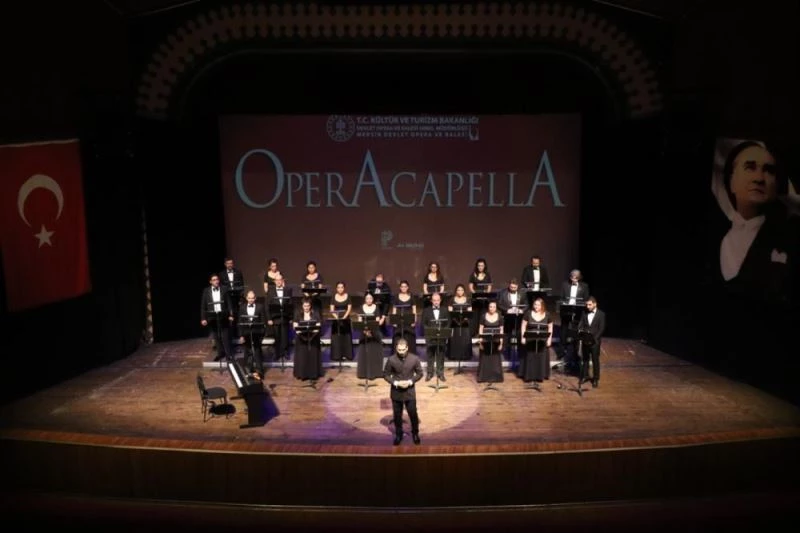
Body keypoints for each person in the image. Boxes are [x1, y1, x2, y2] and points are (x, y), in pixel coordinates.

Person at [711, 140, 798, 303]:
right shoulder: (711, 236)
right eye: (750, 167)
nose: (759, 178)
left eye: (769, 171)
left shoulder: (791, 236)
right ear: (731, 181)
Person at [383, 338, 423, 445]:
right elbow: (385, 374)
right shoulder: (391, 359)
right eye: (399, 350)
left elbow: (420, 373)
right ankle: (398, 434)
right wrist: (396, 383)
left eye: (403, 350)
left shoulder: (414, 359)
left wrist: (410, 382)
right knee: (397, 415)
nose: (401, 352)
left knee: (413, 414)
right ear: (396, 348)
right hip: (396, 392)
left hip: (409, 391)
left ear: (407, 348)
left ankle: (415, 433)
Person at [519, 297, 553, 387]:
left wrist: (549, 339)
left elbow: (550, 327)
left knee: (540, 357)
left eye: (538, 305)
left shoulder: (547, 314)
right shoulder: (528, 313)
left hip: (542, 341)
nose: (536, 306)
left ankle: (539, 376)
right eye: (535, 304)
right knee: (530, 357)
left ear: (542, 306)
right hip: (530, 340)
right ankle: (529, 376)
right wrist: (523, 337)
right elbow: (523, 325)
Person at [558, 269, 590, 367]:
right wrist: (564, 304)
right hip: (566, 310)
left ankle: (575, 353)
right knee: (564, 330)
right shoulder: (564, 285)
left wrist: (580, 305)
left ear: (579, 278)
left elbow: (585, 299)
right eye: (572, 277)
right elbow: (561, 298)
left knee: (576, 331)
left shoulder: (584, 286)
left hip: (578, 311)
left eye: (576, 278)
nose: (574, 279)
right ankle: (561, 352)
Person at [200, 273, 234, 362]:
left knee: (225, 336)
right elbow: (203, 305)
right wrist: (203, 318)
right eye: (214, 280)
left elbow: (229, 303)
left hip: (223, 315)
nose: (216, 281)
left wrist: (231, 315)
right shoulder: (206, 291)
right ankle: (220, 353)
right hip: (212, 316)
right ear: (210, 282)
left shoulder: (224, 289)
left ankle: (228, 355)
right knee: (216, 336)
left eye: (217, 279)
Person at [576, 296, 605, 388]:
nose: (587, 306)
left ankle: (595, 379)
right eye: (587, 305)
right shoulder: (584, 312)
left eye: (589, 305)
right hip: (585, 339)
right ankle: (585, 376)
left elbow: (601, 329)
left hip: (595, 342)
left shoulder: (601, 314)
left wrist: (594, 339)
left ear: (595, 304)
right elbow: (581, 324)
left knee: (595, 360)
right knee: (585, 359)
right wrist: (580, 330)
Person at [421, 292, 451, 381]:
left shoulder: (445, 310)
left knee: (440, 355)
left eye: (438, 300)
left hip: (441, 336)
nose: (436, 302)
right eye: (434, 300)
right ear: (431, 301)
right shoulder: (426, 310)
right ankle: (430, 373)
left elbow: (448, 322)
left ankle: (440, 373)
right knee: (430, 355)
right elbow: (423, 323)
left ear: (440, 300)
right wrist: (430, 331)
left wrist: (443, 331)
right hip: (430, 336)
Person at [292, 297, 323, 382]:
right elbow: (295, 325)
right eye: (305, 306)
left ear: (310, 305)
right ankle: (303, 374)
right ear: (302, 305)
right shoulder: (298, 313)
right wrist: (302, 336)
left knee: (313, 355)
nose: (306, 308)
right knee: (302, 356)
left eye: (308, 306)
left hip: (313, 338)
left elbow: (318, 324)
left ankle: (313, 374)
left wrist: (312, 336)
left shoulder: (315, 313)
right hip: (301, 338)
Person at [356, 292, 385, 381]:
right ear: (365, 299)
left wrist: (371, 331)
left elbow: (377, 321)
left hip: (374, 332)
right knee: (364, 352)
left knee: (375, 352)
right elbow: (360, 321)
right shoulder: (361, 307)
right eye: (367, 298)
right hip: (364, 332)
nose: (369, 300)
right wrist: (365, 331)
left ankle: (376, 372)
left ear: (373, 299)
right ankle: (363, 373)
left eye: (370, 298)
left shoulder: (376, 307)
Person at [238, 290, 266, 377]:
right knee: (247, 352)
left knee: (257, 352)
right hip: (246, 333)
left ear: (255, 298)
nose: (251, 300)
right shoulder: (242, 307)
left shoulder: (260, 307)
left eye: (252, 298)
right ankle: (247, 371)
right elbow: (240, 321)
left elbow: (263, 320)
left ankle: (260, 372)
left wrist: (262, 334)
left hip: (257, 333)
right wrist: (241, 335)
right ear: (246, 298)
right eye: (249, 298)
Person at [266, 274, 293, 361]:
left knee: (285, 336)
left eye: (280, 279)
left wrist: (291, 317)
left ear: (282, 280)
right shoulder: (270, 291)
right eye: (277, 280)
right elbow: (267, 306)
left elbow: (290, 304)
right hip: (275, 318)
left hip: (285, 317)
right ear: (274, 281)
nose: (278, 281)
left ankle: (285, 352)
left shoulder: (288, 290)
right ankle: (277, 353)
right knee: (277, 337)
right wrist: (269, 318)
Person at [497, 278, 525, 363]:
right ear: (509, 285)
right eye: (511, 287)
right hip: (507, 317)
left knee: (519, 334)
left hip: (518, 317)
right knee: (507, 335)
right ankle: (506, 354)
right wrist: (507, 310)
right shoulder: (503, 293)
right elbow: (499, 304)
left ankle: (520, 354)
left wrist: (521, 310)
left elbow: (527, 304)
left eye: (514, 287)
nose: (513, 289)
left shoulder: (522, 293)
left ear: (517, 286)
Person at [477, 300, 504, 384]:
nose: (492, 308)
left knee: (495, 359)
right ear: (488, 307)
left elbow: (501, 330)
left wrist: (501, 343)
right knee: (485, 358)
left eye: (494, 307)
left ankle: (495, 377)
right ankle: (484, 377)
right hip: (486, 341)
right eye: (490, 307)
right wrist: (480, 342)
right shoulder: (483, 316)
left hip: (496, 341)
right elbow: (481, 329)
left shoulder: (500, 317)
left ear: (496, 308)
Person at [448, 284, 473, 363]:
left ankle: (465, 355)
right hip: (455, 322)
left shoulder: (468, 299)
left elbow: (469, 311)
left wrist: (465, 319)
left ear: (464, 291)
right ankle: (454, 355)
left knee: (465, 338)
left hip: (465, 322)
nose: (460, 292)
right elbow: (450, 311)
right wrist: (455, 320)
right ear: (456, 291)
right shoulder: (452, 299)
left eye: (461, 290)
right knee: (454, 338)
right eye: (458, 290)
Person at [220, 258, 245, 338]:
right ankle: (231, 335)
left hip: (237, 297)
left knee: (238, 315)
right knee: (229, 315)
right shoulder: (221, 274)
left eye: (231, 263)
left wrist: (241, 298)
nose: (230, 265)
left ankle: (240, 334)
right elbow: (221, 287)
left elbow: (242, 285)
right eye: (228, 263)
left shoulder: (238, 272)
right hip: (227, 298)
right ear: (225, 264)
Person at [329, 281, 354, 362]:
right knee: (337, 337)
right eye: (338, 287)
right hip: (336, 320)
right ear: (336, 288)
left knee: (346, 337)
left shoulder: (348, 296)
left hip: (345, 319)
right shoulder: (333, 296)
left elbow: (349, 309)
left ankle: (347, 355)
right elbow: (332, 309)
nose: (340, 289)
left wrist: (344, 317)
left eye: (342, 287)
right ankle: (337, 355)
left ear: (344, 288)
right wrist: (337, 318)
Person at [468, 258, 493, 337]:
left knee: (483, 316)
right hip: (476, 299)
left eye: (482, 265)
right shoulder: (473, 274)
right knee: (475, 317)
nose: (480, 267)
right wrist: (476, 294)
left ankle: (482, 334)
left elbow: (489, 286)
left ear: (484, 266)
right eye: (479, 265)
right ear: (477, 266)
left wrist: (486, 294)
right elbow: (470, 287)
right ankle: (474, 334)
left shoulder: (487, 274)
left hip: (484, 300)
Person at [391, 280, 417, 351]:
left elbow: (414, 310)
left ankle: (410, 352)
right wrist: (394, 321)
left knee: (409, 336)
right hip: (399, 320)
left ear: (408, 287)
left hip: (409, 320)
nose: (403, 288)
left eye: (405, 287)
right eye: (402, 287)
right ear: (400, 287)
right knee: (397, 336)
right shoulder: (396, 296)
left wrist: (414, 320)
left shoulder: (411, 296)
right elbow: (394, 310)